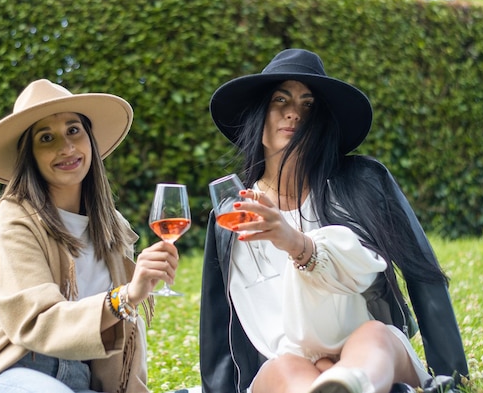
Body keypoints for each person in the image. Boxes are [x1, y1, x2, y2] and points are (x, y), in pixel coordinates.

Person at [200, 49, 468, 393]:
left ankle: (349, 383)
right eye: (280, 100)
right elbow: (218, 325)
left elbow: (422, 273)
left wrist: (453, 376)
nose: (294, 112)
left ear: (321, 124)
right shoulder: (230, 218)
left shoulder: (361, 183)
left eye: (308, 104)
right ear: (258, 120)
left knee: (373, 336)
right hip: (288, 369)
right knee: (283, 368)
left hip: (372, 352)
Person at [0, 79, 179, 393]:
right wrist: (125, 296)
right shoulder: (14, 220)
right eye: (46, 138)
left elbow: (124, 342)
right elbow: (38, 322)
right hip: (11, 368)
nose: (65, 148)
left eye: (73, 130)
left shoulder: (113, 229)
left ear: (89, 140)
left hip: (78, 378)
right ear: (31, 155)